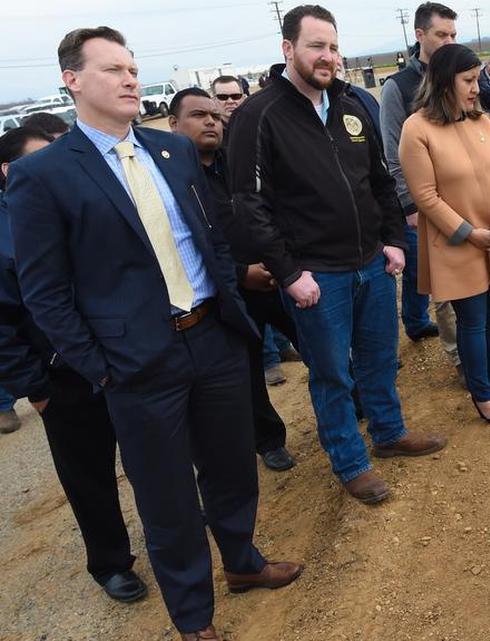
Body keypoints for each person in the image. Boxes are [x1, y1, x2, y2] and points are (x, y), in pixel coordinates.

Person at [6, 27, 302, 640]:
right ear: (73, 80)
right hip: (137, 364)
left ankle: (243, 563)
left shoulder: (172, 151)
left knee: (231, 469)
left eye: (133, 68)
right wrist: (102, 366)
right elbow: (45, 291)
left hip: (212, 340)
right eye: (113, 69)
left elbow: (209, 237)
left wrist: (230, 318)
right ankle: (193, 617)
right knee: (167, 499)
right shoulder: (44, 176)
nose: (130, 79)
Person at [228, 5, 447, 505]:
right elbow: (249, 204)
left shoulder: (350, 107)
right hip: (315, 276)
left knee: (379, 360)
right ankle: (350, 462)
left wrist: (392, 240)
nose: (327, 57)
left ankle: (389, 434)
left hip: (371, 262)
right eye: (315, 46)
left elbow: (378, 180)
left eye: (332, 46)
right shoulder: (258, 117)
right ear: (288, 49)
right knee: (332, 374)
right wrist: (288, 273)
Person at [0, 124, 148, 602]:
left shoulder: (87, 202)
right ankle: (111, 563)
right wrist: (35, 387)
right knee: (88, 475)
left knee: (155, 452)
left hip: (125, 355)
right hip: (62, 377)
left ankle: (175, 524)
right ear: (8, 171)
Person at [168, 87, 297, 472]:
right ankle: (269, 440)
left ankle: (353, 401)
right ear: (173, 124)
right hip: (228, 295)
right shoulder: (171, 181)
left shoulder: (239, 162)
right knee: (248, 371)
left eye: (214, 114)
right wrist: (243, 275)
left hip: (277, 275)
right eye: (198, 115)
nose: (211, 120)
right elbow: (186, 247)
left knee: (319, 342)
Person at [399, 44, 490, 426]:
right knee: (472, 318)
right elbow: (425, 196)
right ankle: (481, 393)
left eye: (477, 79)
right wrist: (468, 233)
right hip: (459, 241)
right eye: (468, 80)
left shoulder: (482, 121)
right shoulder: (416, 129)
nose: (476, 87)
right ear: (442, 81)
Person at [379, 2, 463, 384]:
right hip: (426, 204)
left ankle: (473, 346)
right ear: (419, 35)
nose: (448, 41)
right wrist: (409, 204)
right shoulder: (399, 86)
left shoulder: (460, 76)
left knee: (471, 278)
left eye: (453, 35)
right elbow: (393, 151)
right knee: (442, 284)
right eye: (441, 34)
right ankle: (462, 358)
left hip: (465, 195)